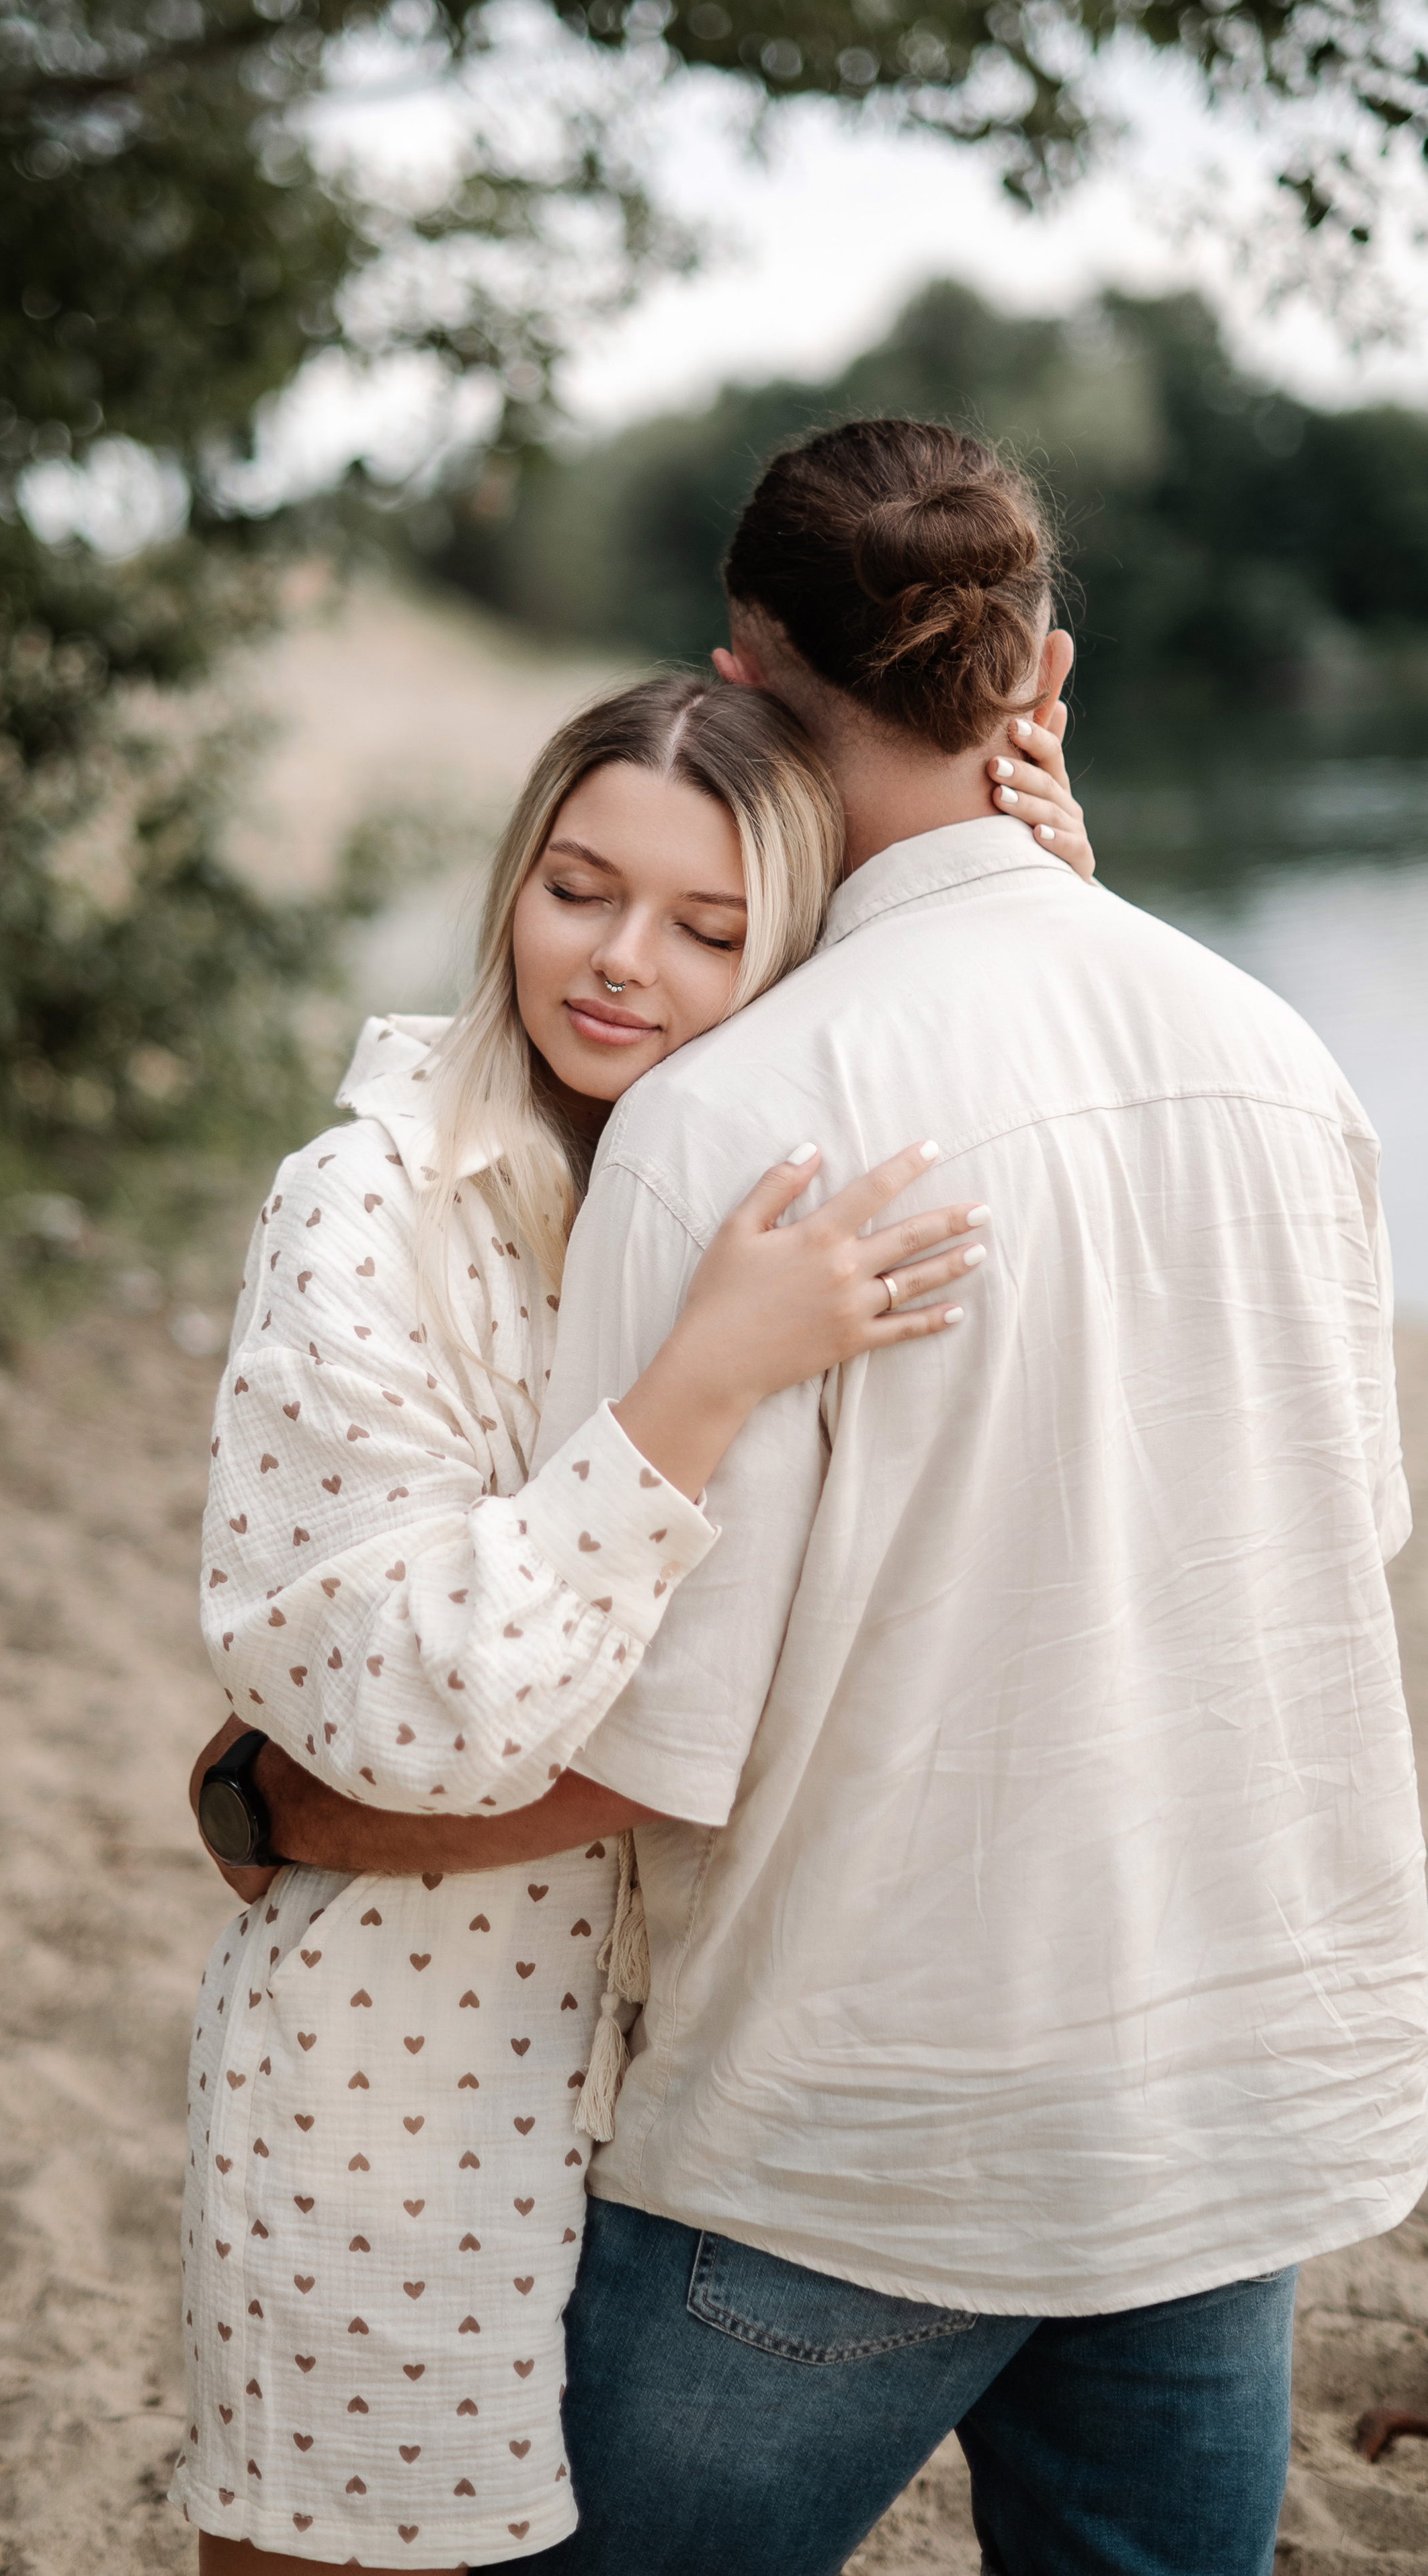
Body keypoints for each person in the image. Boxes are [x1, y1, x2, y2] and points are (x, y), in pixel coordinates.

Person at [236, 418, 1427, 2576]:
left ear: (749, 672)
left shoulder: (733, 1115)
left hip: (860, 2136)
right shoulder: (1281, 1054)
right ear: (1038, 673)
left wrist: (290, 1809)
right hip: (1219, 2106)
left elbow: (648, 1733)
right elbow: (1344, 1550)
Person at [171, 669, 1093, 2573]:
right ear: (514, 878)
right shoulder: (368, 1205)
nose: (618, 961)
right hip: (407, 2079)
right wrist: (701, 1380)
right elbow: (411, 1710)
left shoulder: (816, 1196)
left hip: (712, 2126)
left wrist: (1050, 892)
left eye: (708, 927)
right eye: (578, 889)